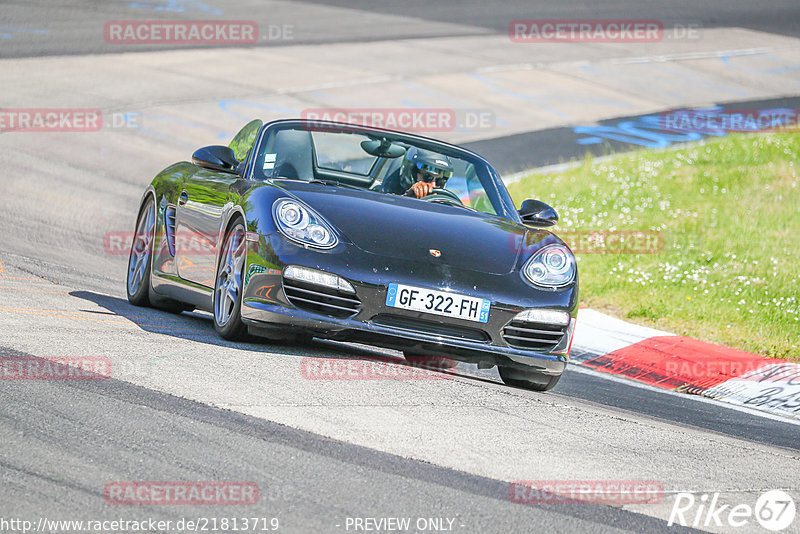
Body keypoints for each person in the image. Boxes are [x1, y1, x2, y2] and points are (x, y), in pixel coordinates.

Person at [383, 147, 454, 198]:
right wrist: (408, 196)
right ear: (412, 174)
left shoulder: (445, 203)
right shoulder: (390, 199)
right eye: (427, 177)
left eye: (439, 181)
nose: (433, 185)